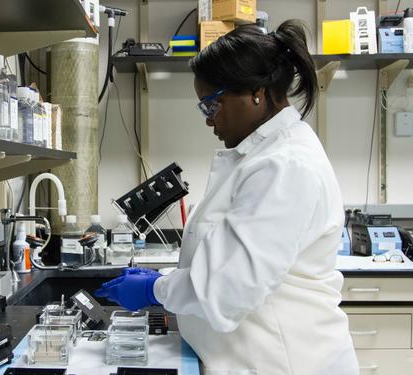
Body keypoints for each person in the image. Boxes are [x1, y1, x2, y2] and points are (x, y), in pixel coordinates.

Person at [95, 20, 359, 374]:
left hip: (285, 361)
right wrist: (172, 277)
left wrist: (154, 289)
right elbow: (228, 258)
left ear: (256, 93)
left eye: (211, 105)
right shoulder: (261, 158)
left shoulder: (285, 167)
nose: (208, 120)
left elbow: (225, 289)